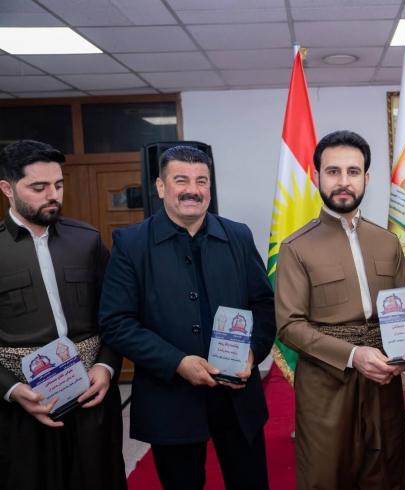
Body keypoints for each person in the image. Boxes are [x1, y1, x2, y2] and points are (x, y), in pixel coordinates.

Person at [98, 146, 275, 490]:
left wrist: (253, 352)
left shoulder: (238, 235)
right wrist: (177, 363)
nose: (192, 189)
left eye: (201, 181)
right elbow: (116, 322)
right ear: (161, 186)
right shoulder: (131, 243)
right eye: (181, 180)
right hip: (170, 397)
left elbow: (264, 304)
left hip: (237, 396)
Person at [275, 130, 405, 490]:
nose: (343, 181)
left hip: (383, 380)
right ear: (316, 177)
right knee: (325, 477)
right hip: (326, 384)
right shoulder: (296, 247)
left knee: (385, 474)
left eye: (353, 171)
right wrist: (353, 355)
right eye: (333, 171)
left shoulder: (388, 242)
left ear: (366, 178)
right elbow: (289, 326)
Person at [0, 140, 125, 490]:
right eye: (39, 187)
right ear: (7, 188)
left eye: (58, 184)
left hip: (92, 395)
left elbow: (117, 316)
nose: (53, 195)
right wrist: (12, 390)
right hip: (22, 406)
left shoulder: (87, 240)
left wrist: (106, 367)